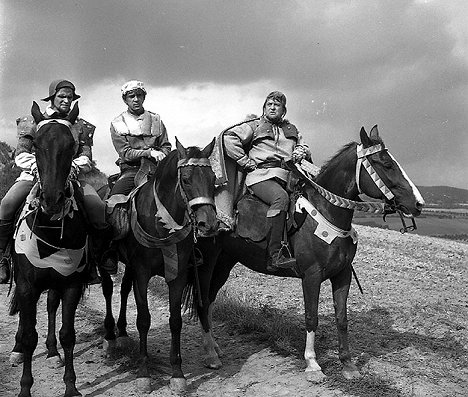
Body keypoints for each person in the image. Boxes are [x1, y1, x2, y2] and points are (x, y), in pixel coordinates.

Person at [0, 79, 110, 284]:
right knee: (6, 204)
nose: (67, 101)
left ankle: (95, 260)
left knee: (96, 207)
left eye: (70, 97)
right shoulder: (33, 122)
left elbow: (86, 155)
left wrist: (74, 166)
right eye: (62, 96)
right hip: (34, 175)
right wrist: (38, 168)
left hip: (70, 176)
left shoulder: (80, 126)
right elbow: (21, 153)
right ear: (52, 98)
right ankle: (3, 257)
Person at [222, 91, 311, 272]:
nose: (272, 107)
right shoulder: (255, 125)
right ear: (264, 107)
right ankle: (275, 255)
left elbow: (304, 145)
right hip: (261, 176)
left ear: (283, 110)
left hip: (288, 177)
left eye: (276, 105)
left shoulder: (292, 129)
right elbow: (228, 138)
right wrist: (245, 162)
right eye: (269, 104)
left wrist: (301, 150)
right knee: (280, 198)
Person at [101, 80, 172, 274]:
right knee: (112, 205)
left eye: (139, 95)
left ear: (144, 97)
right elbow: (124, 152)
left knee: (184, 193)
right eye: (131, 96)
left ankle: (191, 248)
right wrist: (148, 153)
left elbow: (166, 145)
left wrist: (163, 154)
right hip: (131, 170)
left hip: (158, 169)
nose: (136, 99)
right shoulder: (117, 123)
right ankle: (111, 250)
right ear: (125, 99)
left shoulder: (156, 119)